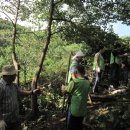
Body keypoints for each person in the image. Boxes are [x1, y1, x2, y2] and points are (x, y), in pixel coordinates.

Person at [0, 65, 41, 130]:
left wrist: (32, 92)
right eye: (14, 75)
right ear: (7, 76)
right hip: (5, 122)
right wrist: (1, 120)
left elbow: (21, 92)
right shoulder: (1, 86)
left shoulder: (14, 85)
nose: (15, 76)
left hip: (15, 119)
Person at [62, 65, 90, 130]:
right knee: (79, 126)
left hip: (74, 111)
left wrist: (63, 88)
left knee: (71, 126)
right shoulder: (87, 82)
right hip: (82, 110)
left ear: (75, 72)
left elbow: (65, 92)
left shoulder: (73, 82)